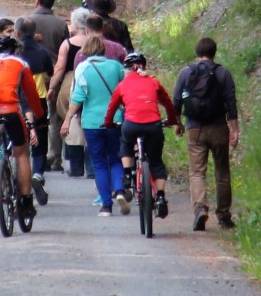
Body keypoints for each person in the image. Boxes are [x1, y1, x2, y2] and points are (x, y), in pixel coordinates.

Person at [104, 52, 184, 217]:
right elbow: (168, 103)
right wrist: (171, 120)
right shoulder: (154, 82)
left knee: (125, 143)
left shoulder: (123, 85)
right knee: (156, 161)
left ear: (132, 67)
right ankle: (161, 197)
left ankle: (126, 173)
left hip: (131, 124)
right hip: (153, 125)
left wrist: (108, 123)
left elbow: (112, 107)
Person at [172, 38, 240, 231]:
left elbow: (176, 100)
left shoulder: (186, 72)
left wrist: (178, 123)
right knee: (222, 173)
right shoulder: (223, 73)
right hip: (219, 128)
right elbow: (231, 104)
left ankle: (200, 208)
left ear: (197, 52)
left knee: (196, 172)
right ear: (214, 52)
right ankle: (224, 216)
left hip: (195, 128)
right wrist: (234, 129)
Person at [0, 35, 46, 219]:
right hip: (11, 110)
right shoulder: (20, 64)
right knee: (21, 153)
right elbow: (31, 94)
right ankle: (25, 200)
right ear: (15, 49)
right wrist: (39, 116)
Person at [60, 36, 125, 217]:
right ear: (103, 49)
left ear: (86, 50)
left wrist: (67, 119)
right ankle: (119, 190)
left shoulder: (83, 68)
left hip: (92, 122)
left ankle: (106, 205)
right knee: (115, 158)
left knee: (99, 163)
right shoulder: (116, 67)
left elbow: (78, 96)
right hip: (115, 119)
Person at [28, 0, 70, 172]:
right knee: (54, 117)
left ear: (37, 1)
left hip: (30, 76)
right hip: (54, 76)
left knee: (32, 114)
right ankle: (54, 157)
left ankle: (34, 152)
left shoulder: (27, 21)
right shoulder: (61, 24)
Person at [14, 16, 53, 206]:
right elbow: (49, 74)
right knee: (40, 144)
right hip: (39, 100)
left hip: (16, 101)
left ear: (18, 33)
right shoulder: (42, 52)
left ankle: (16, 179)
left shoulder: (14, 53)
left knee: (19, 146)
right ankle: (37, 174)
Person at [48, 7, 91, 178]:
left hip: (70, 83)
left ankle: (75, 165)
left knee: (72, 121)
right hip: (92, 80)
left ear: (74, 25)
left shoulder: (68, 43)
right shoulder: (94, 41)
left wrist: (51, 87)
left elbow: (59, 68)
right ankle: (92, 166)